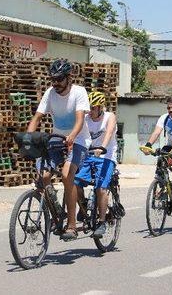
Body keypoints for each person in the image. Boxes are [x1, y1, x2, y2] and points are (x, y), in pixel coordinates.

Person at [27, 58, 91, 241]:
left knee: (66, 175)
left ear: (68, 77)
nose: (55, 83)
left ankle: (71, 225)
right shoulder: (50, 93)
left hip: (78, 140)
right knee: (44, 176)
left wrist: (72, 136)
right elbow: (37, 117)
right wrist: (29, 137)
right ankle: (57, 212)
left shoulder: (79, 92)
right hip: (58, 139)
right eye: (52, 79)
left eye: (59, 79)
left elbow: (79, 120)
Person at [74, 90, 118, 239]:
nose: (90, 111)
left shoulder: (109, 117)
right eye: (89, 108)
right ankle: (84, 205)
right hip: (88, 156)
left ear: (100, 108)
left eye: (93, 108)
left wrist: (102, 147)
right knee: (75, 183)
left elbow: (109, 132)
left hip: (106, 156)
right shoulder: (85, 119)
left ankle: (102, 222)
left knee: (100, 187)